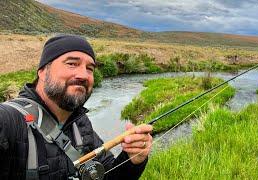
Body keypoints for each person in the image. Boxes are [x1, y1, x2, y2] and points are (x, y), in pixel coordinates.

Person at [0, 34, 153, 180]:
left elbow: (107, 176)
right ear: (42, 71)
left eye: (90, 68)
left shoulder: (80, 123)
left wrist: (132, 160)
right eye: (72, 64)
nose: (84, 75)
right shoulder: (8, 121)